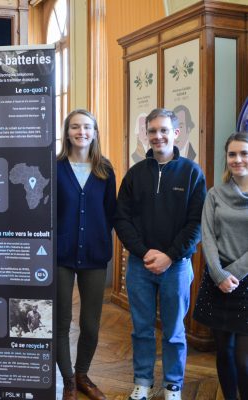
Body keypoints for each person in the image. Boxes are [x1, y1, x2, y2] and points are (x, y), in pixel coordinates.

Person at [114, 108, 206, 400]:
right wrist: (143, 253)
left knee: (174, 331)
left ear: (176, 133)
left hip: (177, 266)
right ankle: (142, 380)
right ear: (146, 134)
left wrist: (169, 256)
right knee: (141, 329)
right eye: (152, 131)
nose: (158, 136)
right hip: (140, 266)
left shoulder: (192, 173)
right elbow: (122, 218)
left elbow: (197, 223)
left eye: (164, 130)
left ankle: (172, 384)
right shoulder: (135, 174)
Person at [57, 109, 116, 400]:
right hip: (60, 256)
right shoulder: (55, 167)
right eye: (75, 127)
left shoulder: (104, 169)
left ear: (94, 132)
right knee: (61, 320)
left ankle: (82, 374)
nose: (82, 132)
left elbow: (110, 213)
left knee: (90, 324)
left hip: (94, 255)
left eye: (87, 127)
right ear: (67, 132)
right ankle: (67, 380)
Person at [193, 131, 248, 400]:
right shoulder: (215, 194)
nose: (238, 159)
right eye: (232, 154)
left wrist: (233, 274)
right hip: (218, 278)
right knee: (223, 352)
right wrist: (218, 274)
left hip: (243, 281)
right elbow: (208, 236)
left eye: (244, 153)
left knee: (244, 360)